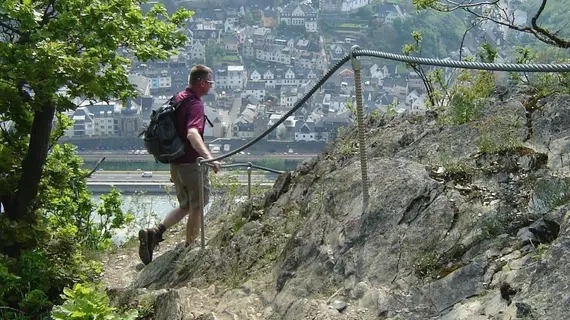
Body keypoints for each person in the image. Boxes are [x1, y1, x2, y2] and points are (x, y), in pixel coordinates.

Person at [138, 65, 221, 265]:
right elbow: (192, 134)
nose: (211, 86)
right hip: (190, 164)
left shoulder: (179, 97)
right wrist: (210, 158)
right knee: (197, 206)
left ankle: (154, 234)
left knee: (184, 206)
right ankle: (190, 249)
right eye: (210, 82)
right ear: (201, 82)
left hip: (175, 163)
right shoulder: (195, 105)